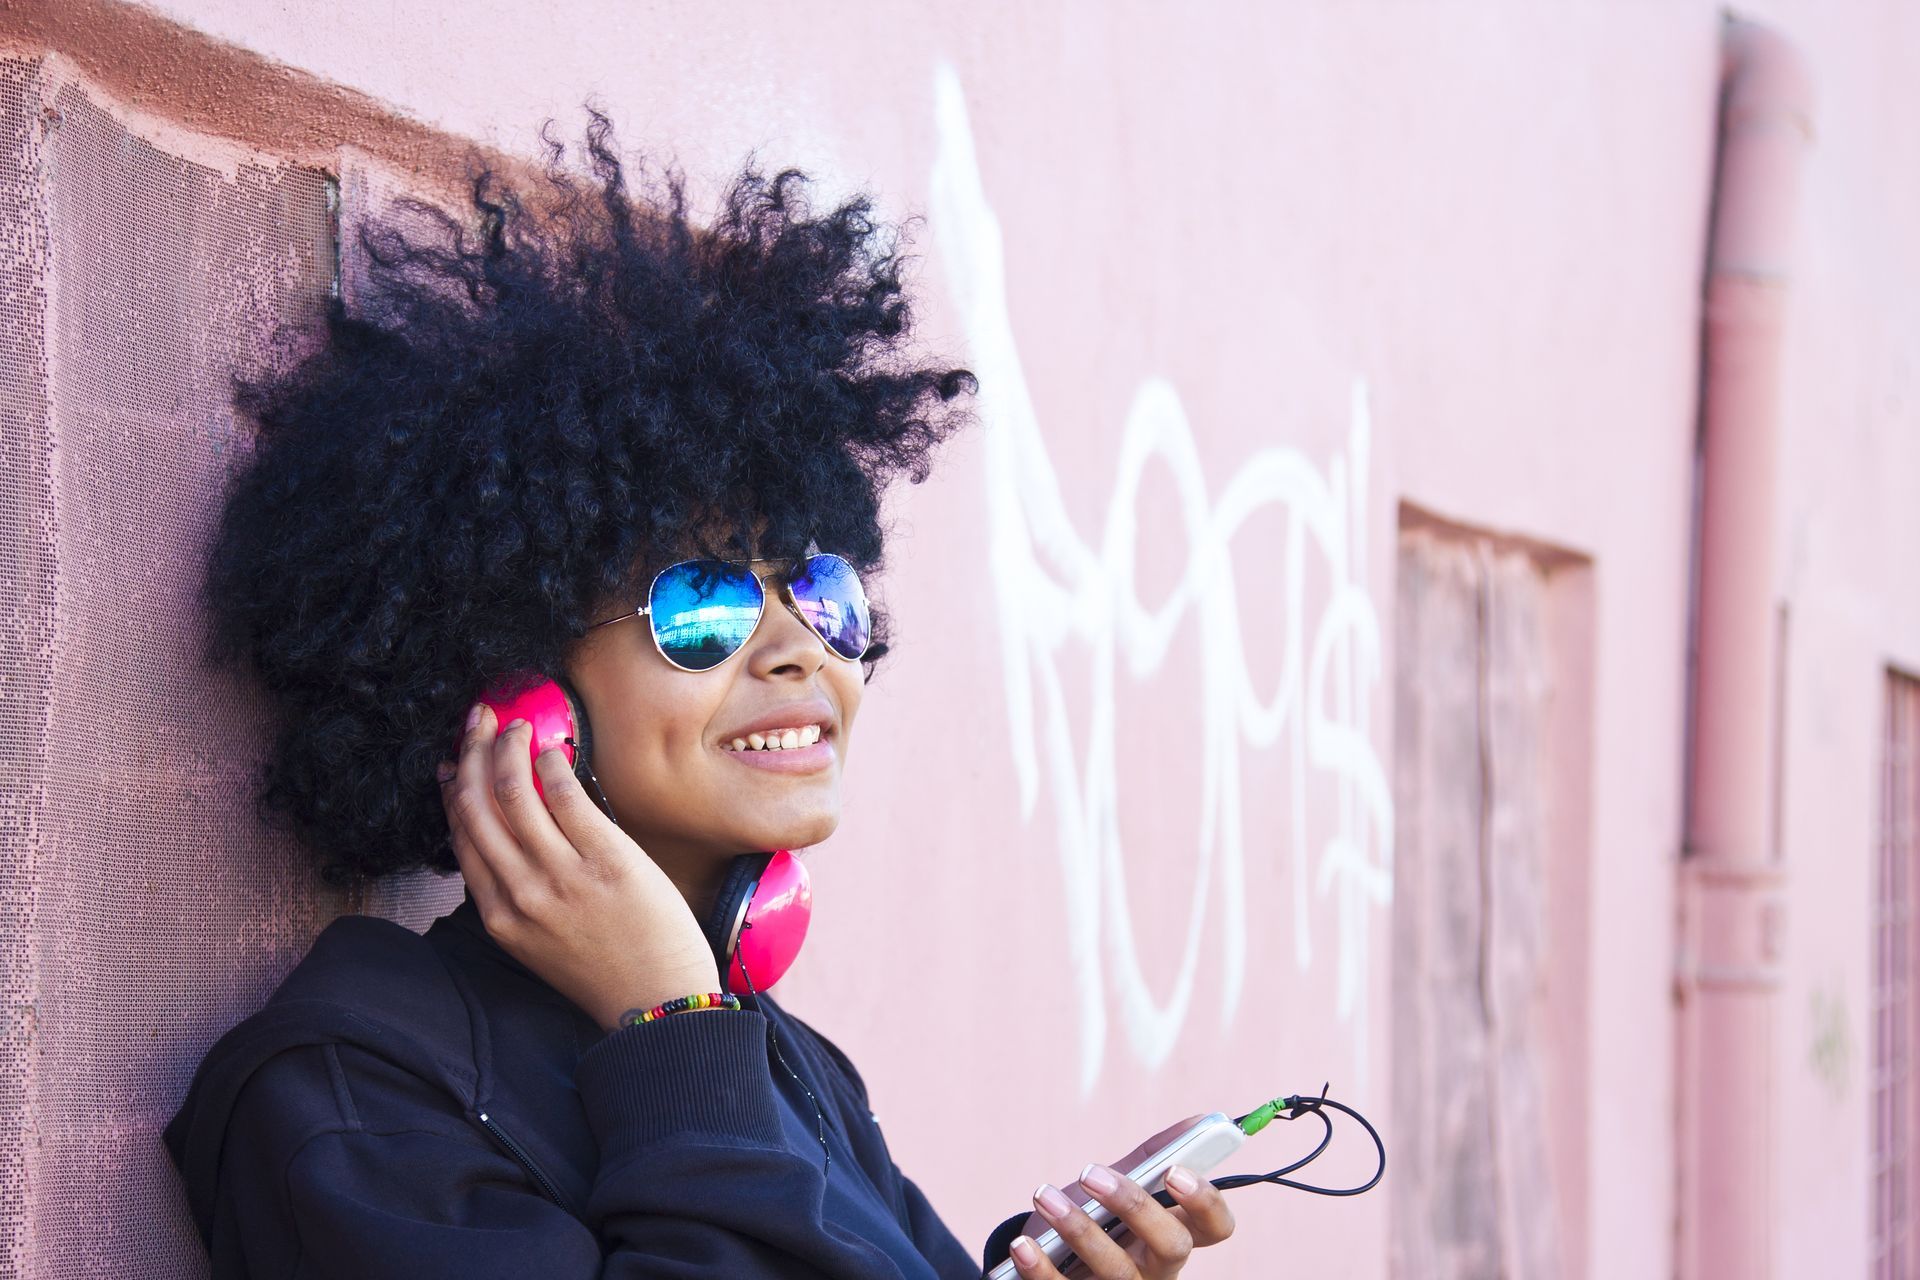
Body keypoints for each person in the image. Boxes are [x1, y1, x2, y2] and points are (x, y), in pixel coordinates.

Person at [162, 106, 1237, 1279]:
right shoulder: (350, 1083)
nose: (798, 649)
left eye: (820, 590)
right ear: (514, 688)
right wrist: (671, 1027)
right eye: (703, 607)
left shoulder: (786, 1067)